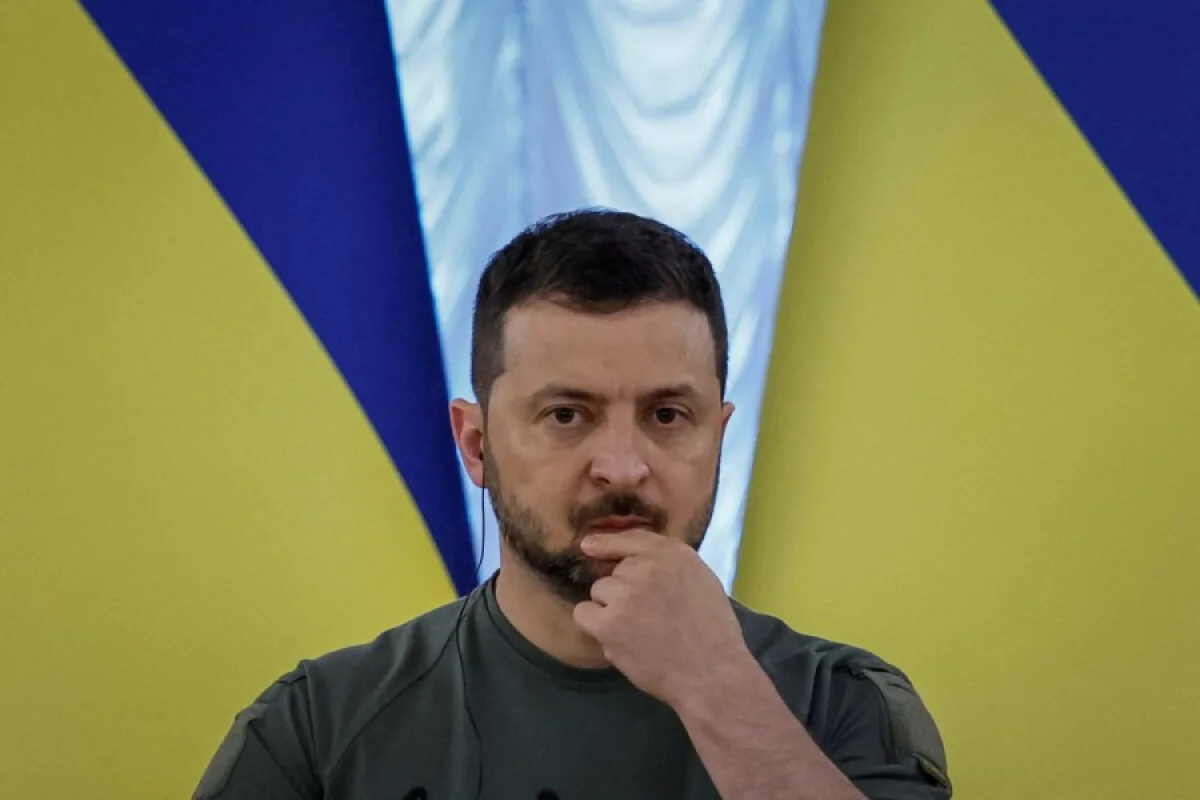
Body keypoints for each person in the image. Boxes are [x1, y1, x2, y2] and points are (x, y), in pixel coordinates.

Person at [194, 209, 952, 800]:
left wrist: (719, 690)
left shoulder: (842, 706)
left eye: (667, 415)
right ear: (476, 444)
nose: (622, 467)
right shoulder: (318, 729)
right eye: (566, 415)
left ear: (718, 437)